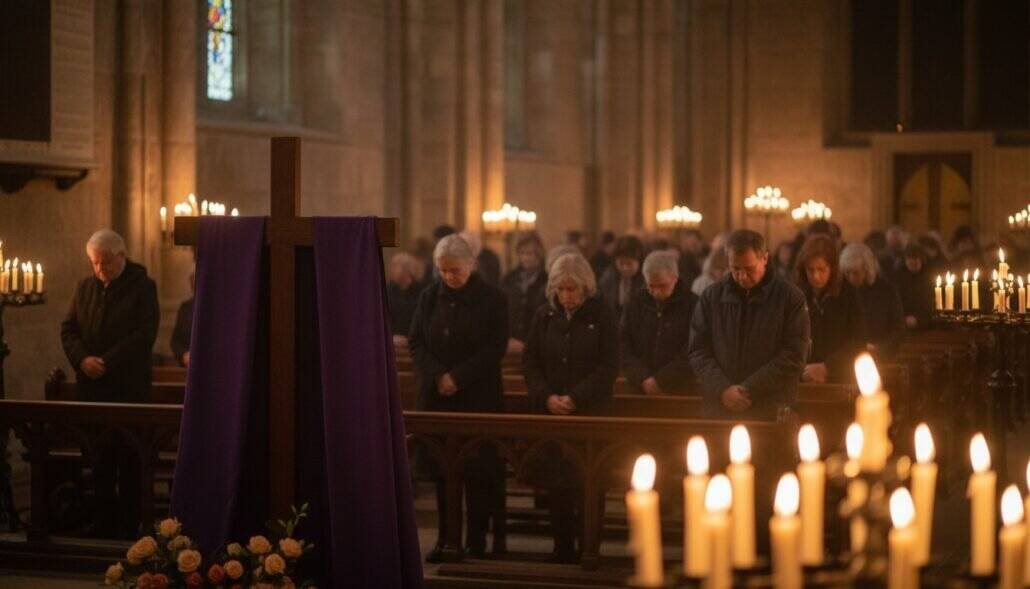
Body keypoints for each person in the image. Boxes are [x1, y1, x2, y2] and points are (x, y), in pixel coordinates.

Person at [408, 235, 509, 561]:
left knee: (478, 472)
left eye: (455, 270)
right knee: (442, 473)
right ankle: (446, 540)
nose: (449, 277)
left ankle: (476, 541)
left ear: (471, 264)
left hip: (477, 397)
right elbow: (416, 342)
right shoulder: (428, 297)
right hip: (437, 397)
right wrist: (438, 375)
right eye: (443, 271)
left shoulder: (493, 299)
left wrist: (458, 377)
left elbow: (495, 348)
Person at [60, 229, 159, 538]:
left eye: (105, 262)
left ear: (121, 256)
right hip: (92, 390)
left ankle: (129, 528)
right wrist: (82, 360)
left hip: (128, 389)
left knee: (129, 461)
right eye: (94, 263)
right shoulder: (84, 287)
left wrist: (106, 362)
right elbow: (68, 330)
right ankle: (102, 525)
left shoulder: (142, 286)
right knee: (99, 460)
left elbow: (144, 335)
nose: (100, 269)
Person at [523, 253, 618, 562]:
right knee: (557, 482)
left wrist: (576, 397)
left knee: (589, 483)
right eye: (560, 290)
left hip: (590, 413)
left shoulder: (602, 315)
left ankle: (589, 545)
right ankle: (561, 545)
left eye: (572, 289)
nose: (566, 296)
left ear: (585, 287)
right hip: (551, 413)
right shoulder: (544, 316)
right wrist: (546, 396)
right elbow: (531, 363)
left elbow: (608, 367)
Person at [686, 229, 810, 419]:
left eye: (749, 269)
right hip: (720, 406)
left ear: (765, 259)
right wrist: (723, 389)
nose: (742, 276)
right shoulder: (711, 297)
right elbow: (698, 350)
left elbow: (794, 354)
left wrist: (748, 390)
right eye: (735, 269)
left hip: (769, 405)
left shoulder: (790, 298)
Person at [621, 251, 698, 395]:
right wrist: (642, 377)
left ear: (675, 278)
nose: (656, 292)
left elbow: (694, 349)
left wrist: (662, 380)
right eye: (650, 286)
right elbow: (623, 344)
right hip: (639, 387)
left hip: (680, 388)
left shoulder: (693, 305)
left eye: (662, 286)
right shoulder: (634, 303)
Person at [793, 235, 865, 384]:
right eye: (810, 270)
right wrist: (803, 368)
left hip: (839, 376)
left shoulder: (847, 294)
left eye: (821, 269)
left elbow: (858, 340)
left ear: (832, 268)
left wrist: (828, 366)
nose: (816, 276)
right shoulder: (796, 295)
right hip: (803, 375)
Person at [840, 242, 904, 356]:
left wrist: (879, 348)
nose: (850, 278)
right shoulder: (841, 291)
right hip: (847, 356)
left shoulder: (886, 291)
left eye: (855, 273)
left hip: (880, 355)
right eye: (847, 273)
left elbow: (898, 329)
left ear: (867, 270)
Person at [500, 232, 548, 353]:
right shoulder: (509, 279)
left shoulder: (546, 280)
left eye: (530, 253)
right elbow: (502, 309)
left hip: (538, 340)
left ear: (539, 255)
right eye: (522, 253)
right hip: (512, 340)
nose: (526, 257)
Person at [597, 235, 646, 317]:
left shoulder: (646, 282)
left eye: (629, 263)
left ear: (640, 262)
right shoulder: (607, 279)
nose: (625, 268)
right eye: (621, 263)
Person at [386, 252, 426, 342]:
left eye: (395, 265)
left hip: (414, 341)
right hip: (391, 340)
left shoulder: (422, 292)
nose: (390, 269)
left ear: (408, 269)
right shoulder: (386, 290)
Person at [893, 243, 934, 330]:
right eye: (909, 258)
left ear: (922, 260)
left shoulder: (929, 279)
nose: (912, 261)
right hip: (902, 325)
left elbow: (931, 304)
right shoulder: (898, 279)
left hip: (925, 326)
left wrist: (918, 320)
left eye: (916, 258)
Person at [170, 273, 195, 367]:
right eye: (193, 286)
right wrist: (183, 354)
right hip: (188, 367)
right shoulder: (185, 308)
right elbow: (175, 340)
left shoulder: (218, 309)